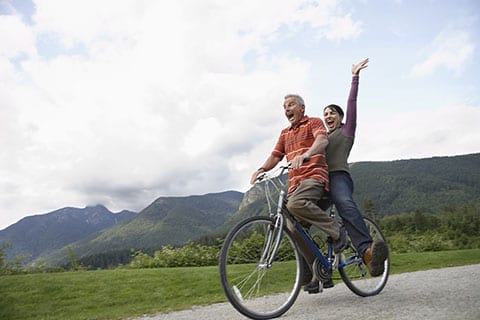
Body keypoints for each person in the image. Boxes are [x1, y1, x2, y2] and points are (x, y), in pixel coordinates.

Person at [250, 94, 347, 294]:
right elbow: (276, 155)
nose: (287, 108)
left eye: (291, 104)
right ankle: (319, 272)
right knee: (293, 229)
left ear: (301, 108)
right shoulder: (285, 133)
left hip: (314, 178)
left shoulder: (313, 122)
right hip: (295, 185)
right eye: (284, 106)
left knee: (294, 205)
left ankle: (337, 230)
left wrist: (306, 155)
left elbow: (322, 141)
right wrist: (261, 169)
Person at [323, 58, 388, 277]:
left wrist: (355, 77)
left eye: (332, 112)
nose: (328, 116)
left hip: (339, 176)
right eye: (325, 114)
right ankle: (313, 271)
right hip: (321, 180)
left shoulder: (346, 131)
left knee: (345, 204)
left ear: (340, 117)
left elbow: (352, 103)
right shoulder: (321, 138)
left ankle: (367, 251)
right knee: (300, 214)